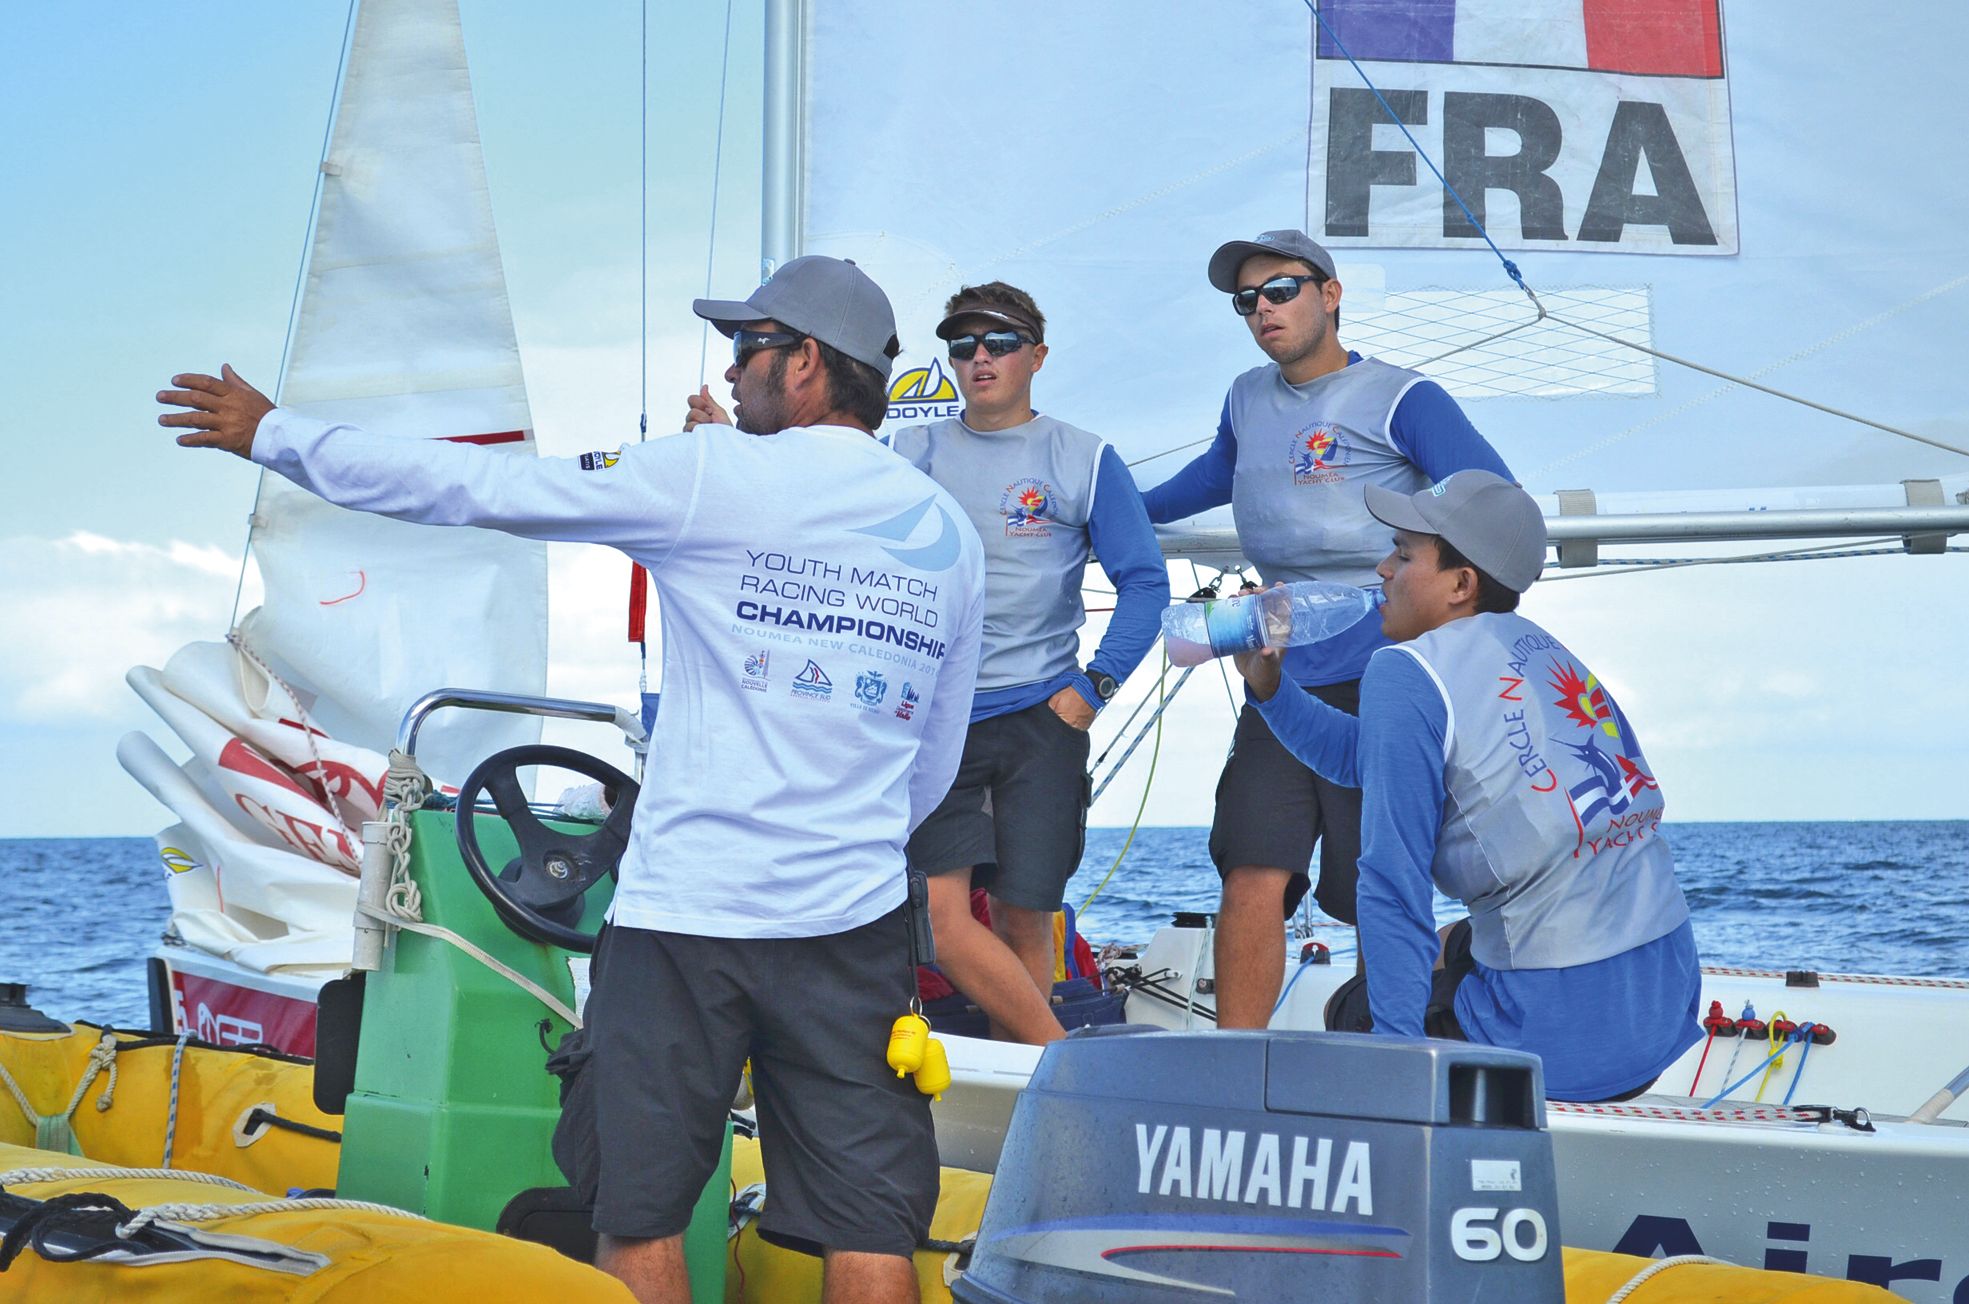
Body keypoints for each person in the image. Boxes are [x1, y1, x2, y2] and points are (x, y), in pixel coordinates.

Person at [159, 255, 986, 1304]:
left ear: (807, 362)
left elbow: (477, 487)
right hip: (851, 924)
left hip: (687, 920)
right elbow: (935, 762)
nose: (731, 376)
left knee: (637, 1218)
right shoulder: (948, 535)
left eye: (745, 349)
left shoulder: (706, 473)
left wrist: (276, 436)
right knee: (868, 1230)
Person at [1140, 228, 1513, 1029]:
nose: (1262, 310)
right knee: (1250, 866)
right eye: (1247, 300)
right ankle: (1235, 1063)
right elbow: (1212, 477)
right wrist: (1117, 514)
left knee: (1379, 873)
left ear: (1330, 294)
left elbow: (1492, 497)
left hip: (1391, 669)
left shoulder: (1403, 397)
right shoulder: (1246, 396)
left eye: (1281, 290)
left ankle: (1393, 1049)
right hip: (1278, 660)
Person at [1232, 469, 1702, 1101]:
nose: (1381, 570)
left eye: (1402, 554)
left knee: (1353, 1008)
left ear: (1461, 584)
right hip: (1666, 998)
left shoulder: (1405, 670)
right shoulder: (1547, 652)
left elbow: (1393, 890)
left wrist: (1397, 1067)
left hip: (1561, 1040)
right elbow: (1368, 758)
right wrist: (1271, 688)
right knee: (1458, 942)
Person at [891, 283, 1168, 1043]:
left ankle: (1027, 1094)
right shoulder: (905, 453)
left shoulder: (1082, 457)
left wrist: (1094, 688)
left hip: (1043, 716)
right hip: (938, 720)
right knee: (943, 920)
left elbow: (1144, 582)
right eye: (963, 345)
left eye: (1000, 343)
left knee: (1026, 914)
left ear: (1036, 356)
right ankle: (1059, 1065)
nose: (980, 358)